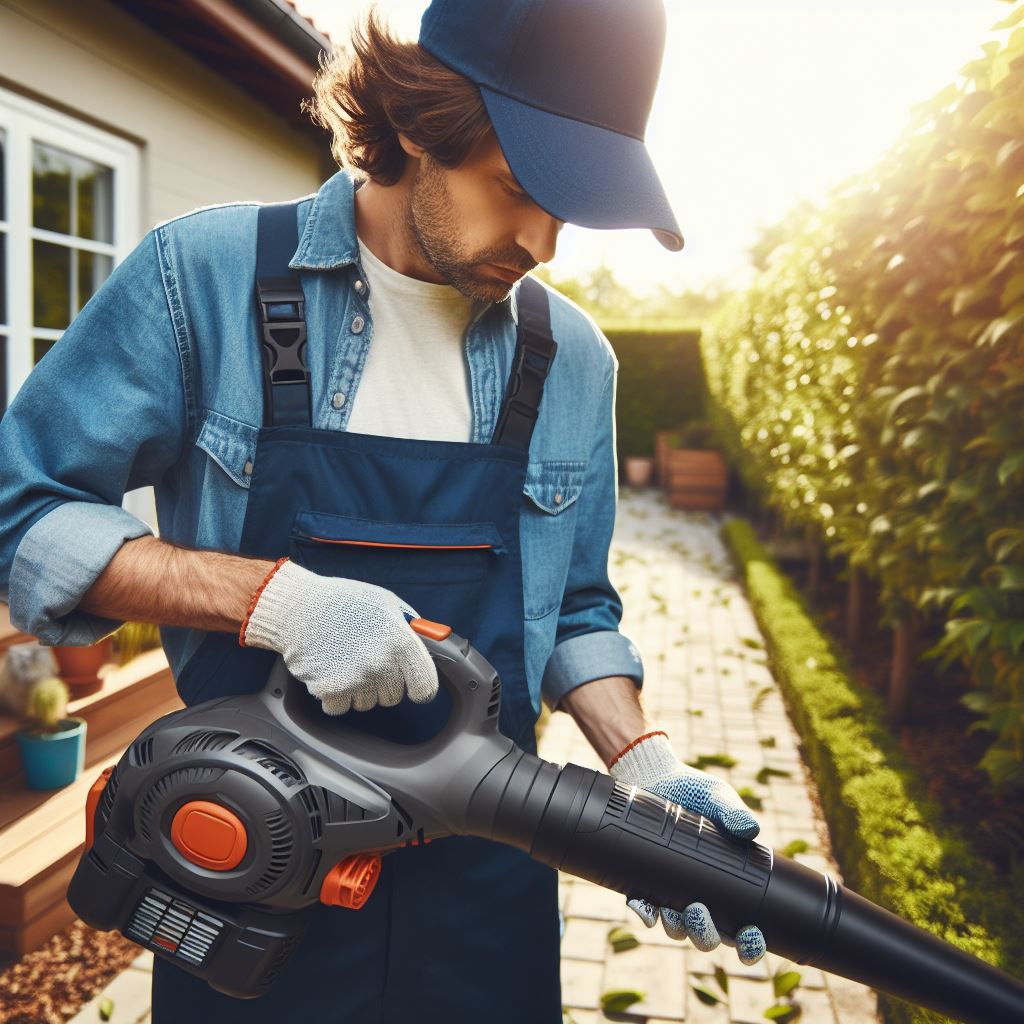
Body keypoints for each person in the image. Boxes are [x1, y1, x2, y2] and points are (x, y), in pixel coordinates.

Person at [0, 0, 766, 1020]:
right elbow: (27, 513)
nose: (543, 240)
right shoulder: (207, 281)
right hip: (247, 864)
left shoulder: (573, 358)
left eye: (567, 209)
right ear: (417, 125)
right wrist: (275, 603)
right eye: (521, 186)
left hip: (489, 881)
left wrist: (643, 759)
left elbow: (576, 608)